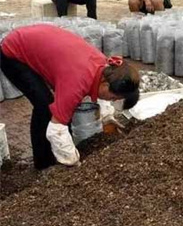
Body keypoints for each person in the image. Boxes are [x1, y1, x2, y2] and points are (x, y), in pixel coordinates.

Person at [0, 25, 140, 169]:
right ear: (105, 85)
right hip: (14, 51)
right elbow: (56, 128)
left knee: (62, 107)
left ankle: (57, 152)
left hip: (40, 43)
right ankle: (43, 165)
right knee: (45, 106)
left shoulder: (108, 69)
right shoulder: (77, 82)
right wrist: (73, 162)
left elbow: (100, 94)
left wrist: (106, 117)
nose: (111, 101)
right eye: (113, 98)